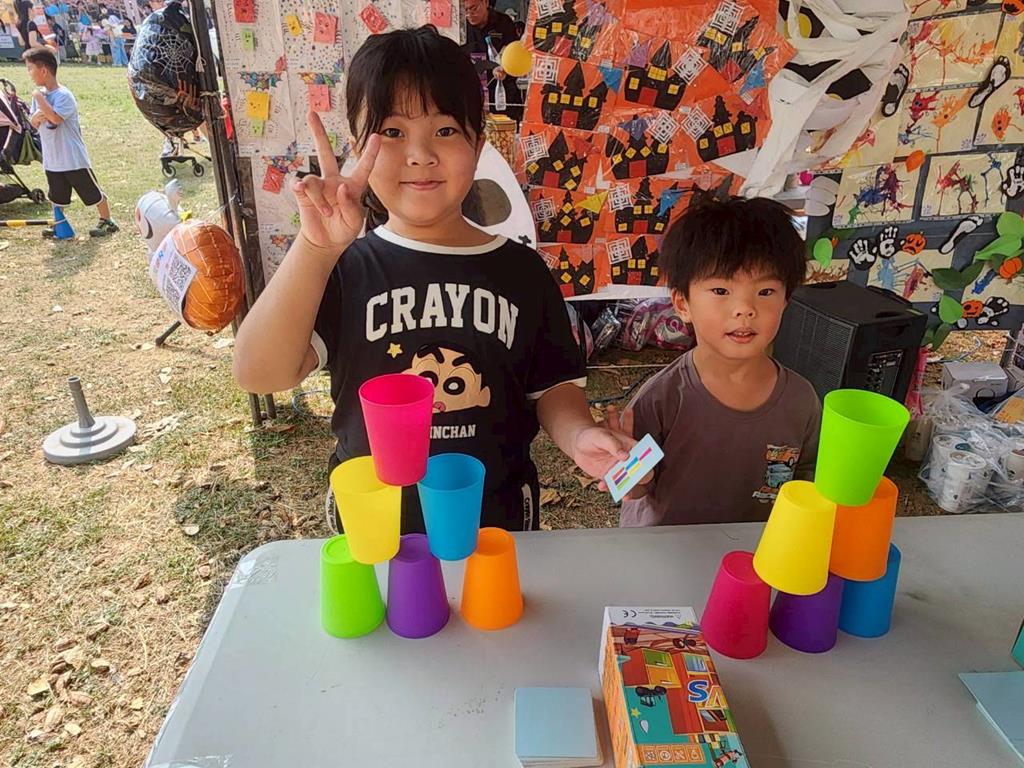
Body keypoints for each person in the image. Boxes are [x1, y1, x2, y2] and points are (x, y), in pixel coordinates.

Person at [233, 26, 634, 534]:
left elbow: (554, 386)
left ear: (478, 145)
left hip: (494, 529)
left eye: (445, 130)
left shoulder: (521, 271)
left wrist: (578, 436)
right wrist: (316, 248)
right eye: (392, 132)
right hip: (374, 534)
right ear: (357, 149)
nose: (420, 155)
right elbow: (258, 373)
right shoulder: (343, 267)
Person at [612, 195, 821, 527]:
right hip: (668, 549)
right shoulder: (661, 399)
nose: (745, 309)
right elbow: (628, 487)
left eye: (765, 292)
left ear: (786, 300)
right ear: (683, 303)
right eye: (721, 291)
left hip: (758, 551)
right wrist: (631, 473)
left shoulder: (801, 400)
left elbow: (807, 476)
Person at [23, 46, 119, 238]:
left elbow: (55, 118)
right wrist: (36, 115)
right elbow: (34, 122)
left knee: (91, 191)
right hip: (52, 159)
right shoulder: (41, 97)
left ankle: (107, 220)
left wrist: (39, 99)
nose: (29, 73)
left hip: (73, 158)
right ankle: (59, 223)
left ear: (44, 71)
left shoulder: (63, 96)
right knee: (56, 195)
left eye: (30, 68)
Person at [463, 0, 522, 123]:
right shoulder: (461, 28)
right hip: (473, 91)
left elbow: (514, 50)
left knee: (505, 128)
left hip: (502, 89)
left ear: (485, 2)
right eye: (465, 10)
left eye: (474, 8)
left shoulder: (503, 22)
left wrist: (505, 67)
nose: (469, 14)